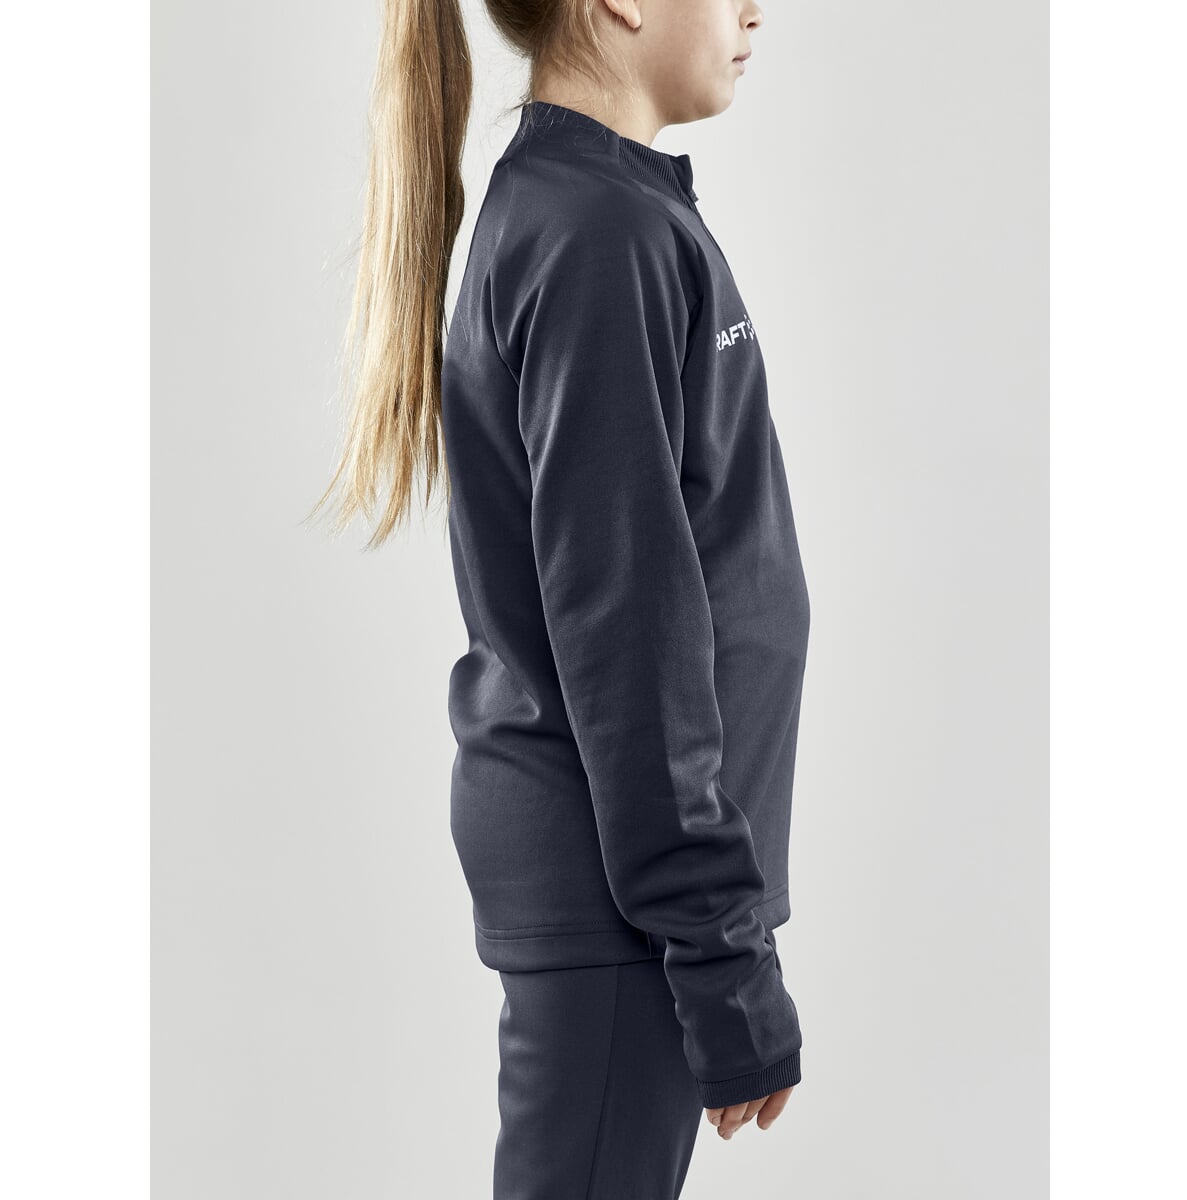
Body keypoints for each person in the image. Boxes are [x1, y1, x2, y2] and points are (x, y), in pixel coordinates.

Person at [310, 1, 812, 1196]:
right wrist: (720, 952)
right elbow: (628, 636)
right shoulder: (596, 233)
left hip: (627, 897)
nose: (758, 8)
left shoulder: (607, 211)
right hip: (627, 904)